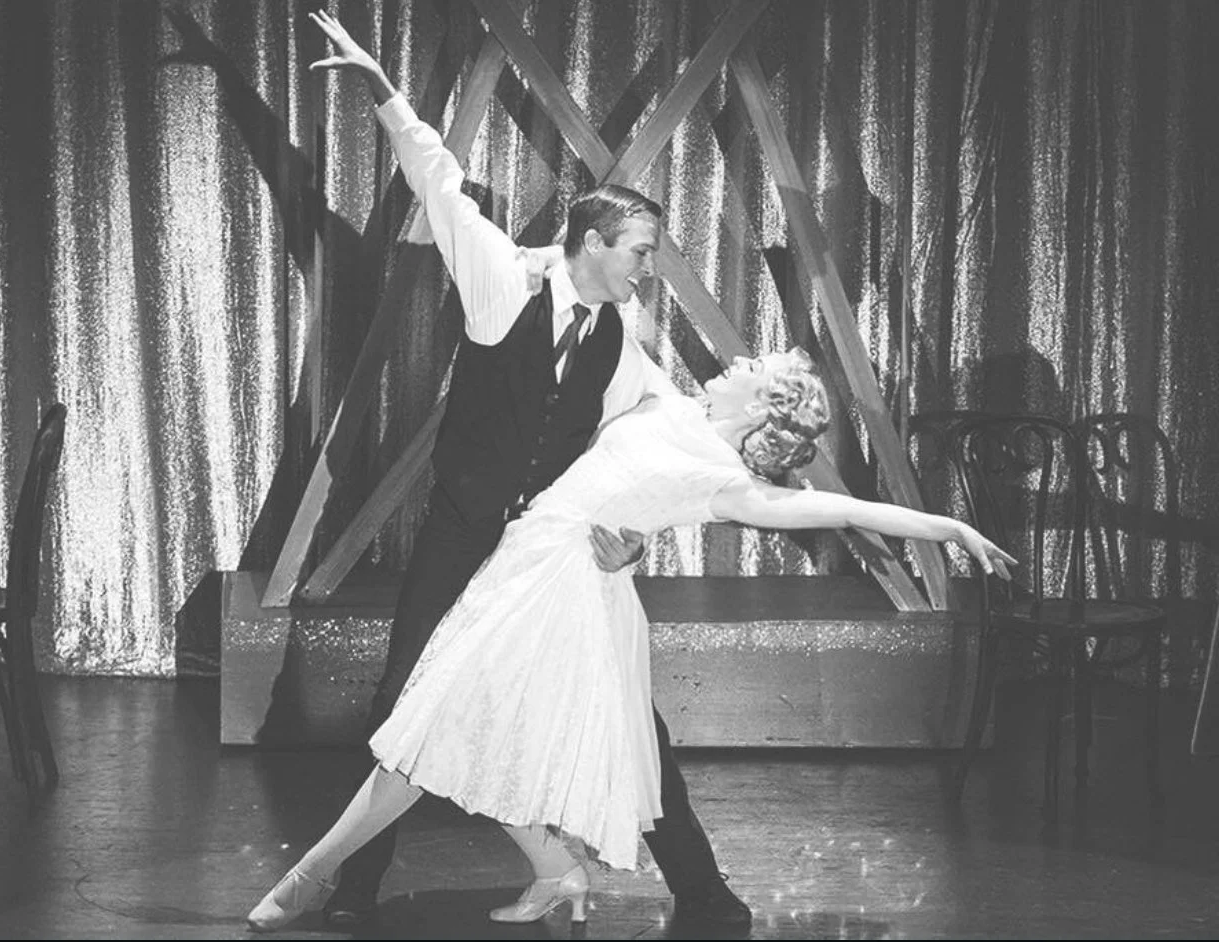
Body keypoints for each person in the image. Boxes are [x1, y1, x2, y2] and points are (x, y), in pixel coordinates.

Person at [246, 338, 1017, 932]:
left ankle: (310, 875)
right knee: (460, 736)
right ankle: (555, 869)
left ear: (762, 406)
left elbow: (846, 512)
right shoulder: (660, 401)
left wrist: (946, 525)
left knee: (432, 732)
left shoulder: (726, 482)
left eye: (752, 365)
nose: (737, 359)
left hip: (565, 601)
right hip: (518, 573)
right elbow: (613, 323)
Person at [301, 9, 752, 931]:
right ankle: (352, 893)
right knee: (405, 700)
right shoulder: (503, 280)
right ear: (593, 243)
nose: (647, 271)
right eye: (640, 253)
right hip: (462, 530)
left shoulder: (618, 340)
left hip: (541, 552)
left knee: (634, 721)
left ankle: (705, 895)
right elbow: (440, 183)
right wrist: (383, 88)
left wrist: (633, 534)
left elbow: (668, 431)